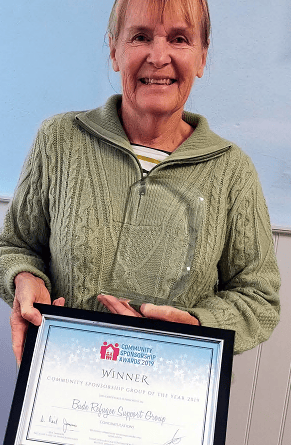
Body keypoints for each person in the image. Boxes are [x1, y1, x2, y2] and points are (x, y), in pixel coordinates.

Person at [0, 0, 280, 365]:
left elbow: (258, 297)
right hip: (61, 381)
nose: (158, 56)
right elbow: (15, 246)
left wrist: (196, 324)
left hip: (167, 393)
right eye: (141, 36)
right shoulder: (59, 141)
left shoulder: (232, 171)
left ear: (202, 57)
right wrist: (23, 277)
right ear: (115, 50)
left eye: (179, 39)